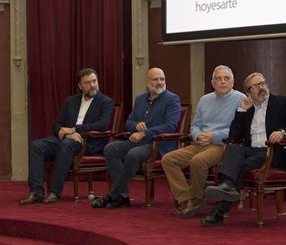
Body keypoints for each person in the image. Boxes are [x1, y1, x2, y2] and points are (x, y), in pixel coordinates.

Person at [200, 72, 286, 227]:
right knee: (234, 149)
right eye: (255, 86)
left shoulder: (283, 102)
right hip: (252, 152)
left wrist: (283, 132)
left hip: (274, 152)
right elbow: (234, 137)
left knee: (234, 166)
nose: (261, 87)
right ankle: (227, 189)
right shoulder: (247, 110)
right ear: (248, 93)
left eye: (262, 83)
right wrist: (241, 111)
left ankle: (219, 209)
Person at [20, 68, 114, 205]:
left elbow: (102, 125)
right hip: (67, 139)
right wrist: (64, 132)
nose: (93, 85)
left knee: (65, 145)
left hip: (87, 142)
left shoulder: (105, 102)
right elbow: (57, 125)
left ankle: (55, 192)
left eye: (94, 81)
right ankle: (37, 192)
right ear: (80, 86)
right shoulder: (70, 101)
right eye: (88, 83)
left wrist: (74, 130)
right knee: (36, 146)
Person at [161, 65, 245, 218]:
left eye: (226, 78)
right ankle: (186, 199)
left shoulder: (240, 99)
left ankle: (196, 198)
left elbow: (239, 129)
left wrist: (214, 136)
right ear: (212, 83)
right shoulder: (204, 100)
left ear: (233, 82)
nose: (222, 82)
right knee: (168, 159)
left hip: (221, 145)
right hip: (198, 143)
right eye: (218, 79)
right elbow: (195, 125)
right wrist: (198, 135)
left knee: (198, 161)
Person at [91, 67, 180, 208]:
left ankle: (112, 194)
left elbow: (170, 126)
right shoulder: (140, 99)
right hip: (139, 142)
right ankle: (123, 196)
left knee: (133, 154)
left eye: (162, 79)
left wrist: (145, 133)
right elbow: (128, 123)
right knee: (110, 149)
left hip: (158, 145)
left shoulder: (172, 99)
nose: (159, 82)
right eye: (155, 79)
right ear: (148, 82)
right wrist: (136, 125)